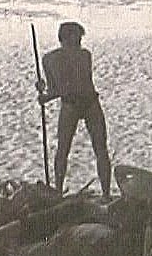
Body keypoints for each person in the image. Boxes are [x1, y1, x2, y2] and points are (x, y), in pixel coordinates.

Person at [37, 21, 113, 199]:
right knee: (63, 149)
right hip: (70, 105)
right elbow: (54, 88)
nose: (79, 43)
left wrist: (48, 96)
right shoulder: (49, 60)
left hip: (90, 103)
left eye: (79, 39)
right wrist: (44, 92)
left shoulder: (85, 55)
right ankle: (58, 191)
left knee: (100, 149)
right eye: (76, 38)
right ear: (66, 38)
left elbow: (75, 85)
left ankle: (106, 193)